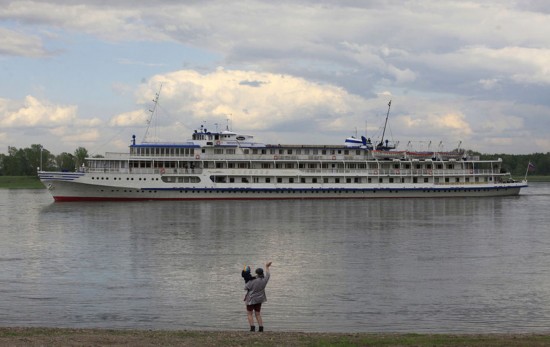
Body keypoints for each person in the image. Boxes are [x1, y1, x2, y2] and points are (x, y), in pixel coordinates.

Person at [244, 261, 272, 332]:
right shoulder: (264, 280)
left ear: (256, 273)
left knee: (249, 313)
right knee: (258, 314)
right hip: (259, 299)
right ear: (262, 273)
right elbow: (268, 275)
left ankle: (252, 328)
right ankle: (261, 328)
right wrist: (267, 267)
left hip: (251, 299)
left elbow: (246, 288)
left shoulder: (252, 281)